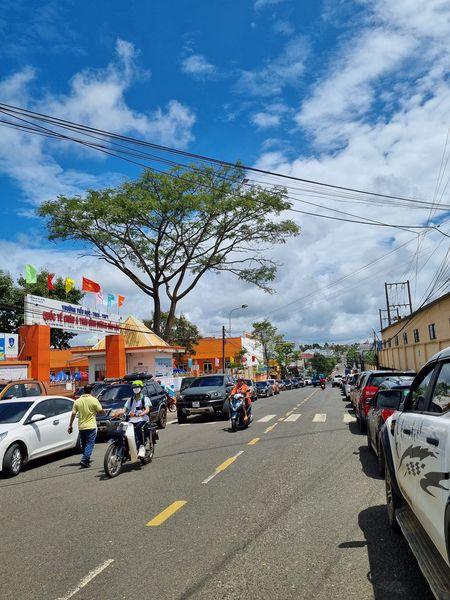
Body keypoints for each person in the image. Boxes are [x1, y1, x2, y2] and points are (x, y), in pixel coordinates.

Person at [68, 384, 105, 468]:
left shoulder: (78, 401)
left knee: (84, 444)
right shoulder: (94, 400)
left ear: (84, 390)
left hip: (81, 426)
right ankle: (84, 460)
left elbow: (73, 413)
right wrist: (103, 412)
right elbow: (100, 411)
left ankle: (86, 459)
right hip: (91, 426)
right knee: (90, 444)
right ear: (91, 391)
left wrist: (70, 425)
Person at [123, 380, 152, 458]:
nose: (135, 389)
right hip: (132, 420)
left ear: (141, 388)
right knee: (124, 430)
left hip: (142, 419)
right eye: (134, 387)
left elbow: (147, 409)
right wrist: (117, 413)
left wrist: (140, 414)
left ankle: (142, 447)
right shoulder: (130, 399)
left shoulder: (145, 399)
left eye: (137, 387)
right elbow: (124, 409)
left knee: (139, 428)